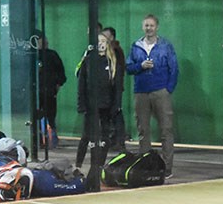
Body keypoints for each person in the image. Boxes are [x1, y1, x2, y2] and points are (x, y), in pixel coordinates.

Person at [126, 14, 178, 179]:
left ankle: (167, 168)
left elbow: (174, 69)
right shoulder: (135, 46)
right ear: (143, 27)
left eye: (151, 25)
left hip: (160, 92)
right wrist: (139, 66)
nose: (149, 28)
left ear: (157, 27)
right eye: (146, 25)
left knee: (166, 130)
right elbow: (128, 68)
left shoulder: (165, 46)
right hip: (141, 92)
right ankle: (145, 166)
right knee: (143, 130)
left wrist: (167, 89)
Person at [76, 33, 123, 191]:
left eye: (103, 41)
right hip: (90, 106)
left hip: (106, 106)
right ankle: (78, 166)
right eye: (98, 42)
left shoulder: (113, 61)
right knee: (86, 137)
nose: (101, 44)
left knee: (104, 138)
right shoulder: (88, 60)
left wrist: (116, 105)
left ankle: (98, 167)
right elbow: (81, 84)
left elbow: (117, 87)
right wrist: (81, 104)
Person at [36, 31, 67, 149]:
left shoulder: (52, 55)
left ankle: (50, 140)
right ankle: (41, 140)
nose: (45, 42)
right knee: (38, 117)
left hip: (49, 92)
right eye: (41, 40)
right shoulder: (32, 55)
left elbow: (61, 75)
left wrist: (56, 86)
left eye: (45, 40)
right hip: (39, 93)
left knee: (50, 117)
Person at [102, 26, 128, 152]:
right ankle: (113, 140)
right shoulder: (102, 51)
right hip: (106, 89)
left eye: (105, 36)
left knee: (116, 112)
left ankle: (119, 141)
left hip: (115, 88)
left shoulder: (117, 51)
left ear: (111, 37)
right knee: (110, 114)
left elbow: (120, 69)